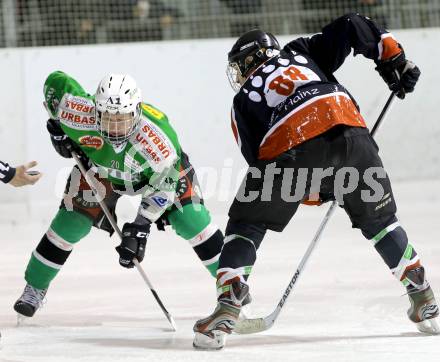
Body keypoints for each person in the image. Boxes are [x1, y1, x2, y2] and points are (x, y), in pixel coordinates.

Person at [192, 13, 438, 349]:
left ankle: (228, 305)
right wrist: (392, 59)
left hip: (294, 142)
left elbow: (264, 166)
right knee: (381, 221)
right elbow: (353, 23)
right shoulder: (302, 52)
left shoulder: (242, 99)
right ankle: (423, 296)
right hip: (353, 133)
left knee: (247, 221)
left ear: (251, 60)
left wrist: (311, 187)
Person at [13, 71, 225, 318]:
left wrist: (140, 226)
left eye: (122, 118)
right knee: (70, 224)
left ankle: (231, 287)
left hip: (158, 177)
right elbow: (55, 81)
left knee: (193, 221)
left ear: (136, 111)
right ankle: (34, 288)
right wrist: (57, 126)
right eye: (107, 118)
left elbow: (164, 186)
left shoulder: (158, 140)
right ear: (95, 111)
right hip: (102, 171)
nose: (114, 127)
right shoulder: (77, 111)